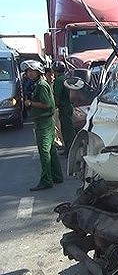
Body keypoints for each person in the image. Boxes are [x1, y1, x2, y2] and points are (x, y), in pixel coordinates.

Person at [21, 60, 63, 191]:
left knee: (44, 152)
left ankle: (46, 180)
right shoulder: (39, 84)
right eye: (27, 71)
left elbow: (48, 105)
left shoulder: (41, 86)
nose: (29, 73)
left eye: (31, 71)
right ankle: (57, 176)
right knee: (51, 150)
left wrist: (30, 104)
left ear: (38, 72)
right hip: (45, 122)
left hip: (44, 123)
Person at [51, 61, 76, 156]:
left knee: (66, 130)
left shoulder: (58, 80)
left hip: (63, 107)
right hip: (69, 106)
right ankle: (69, 148)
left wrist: (55, 105)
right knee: (69, 128)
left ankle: (70, 149)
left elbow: (57, 95)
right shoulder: (65, 78)